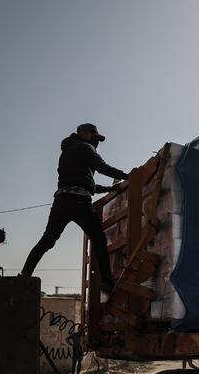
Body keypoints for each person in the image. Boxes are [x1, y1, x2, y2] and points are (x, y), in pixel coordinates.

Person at [21, 123, 128, 297]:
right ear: (84, 133)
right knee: (99, 238)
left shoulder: (66, 152)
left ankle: (25, 274)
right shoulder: (85, 148)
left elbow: (84, 182)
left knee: (47, 240)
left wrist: (108, 189)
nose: (96, 141)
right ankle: (107, 280)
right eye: (94, 136)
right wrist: (128, 176)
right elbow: (102, 167)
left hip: (61, 201)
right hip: (79, 201)